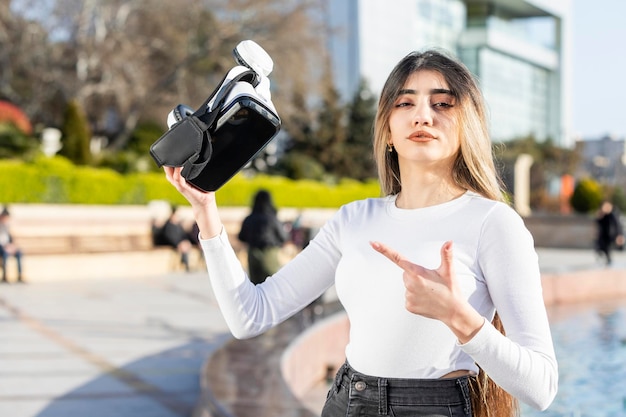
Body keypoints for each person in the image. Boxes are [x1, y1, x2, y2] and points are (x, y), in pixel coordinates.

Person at [164, 49, 558, 416]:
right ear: (387, 129)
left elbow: (541, 388)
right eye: (405, 103)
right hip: (347, 402)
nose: (422, 116)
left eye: (442, 103)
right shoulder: (353, 219)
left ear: (466, 124)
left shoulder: (494, 223)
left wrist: (458, 317)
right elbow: (250, 316)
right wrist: (205, 210)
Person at [237, 189, 288, 284]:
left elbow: (241, 237)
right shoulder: (272, 218)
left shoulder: (249, 218)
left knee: (255, 286)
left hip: (253, 252)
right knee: (271, 284)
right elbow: (283, 236)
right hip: (270, 252)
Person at [152, 205, 192, 272]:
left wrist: (185, 241)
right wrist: (178, 243)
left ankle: (184, 262)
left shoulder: (178, 225)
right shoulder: (168, 225)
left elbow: (183, 235)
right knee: (183, 246)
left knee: (185, 245)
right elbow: (168, 237)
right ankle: (185, 263)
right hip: (170, 243)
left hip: (178, 243)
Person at [595, 200, 624, 265]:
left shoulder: (613, 214)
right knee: (601, 247)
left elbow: (618, 225)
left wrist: (619, 235)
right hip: (604, 235)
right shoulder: (604, 215)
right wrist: (600, 215)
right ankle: (607, 259)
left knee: (607, 248)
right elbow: (598, 222)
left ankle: (609, 260)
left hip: (611, 234)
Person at [0, 207, 24, 283]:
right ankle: (5, 275)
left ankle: (20, 275)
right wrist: (5, 247)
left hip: (8, 246)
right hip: (1, 247)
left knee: (19, 253)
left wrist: (12, 246)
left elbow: (10, 239)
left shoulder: (7, 226)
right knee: (5, 254)